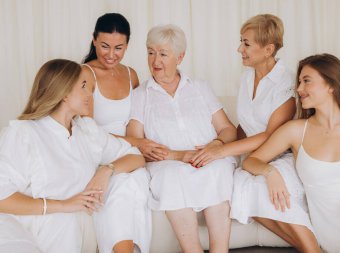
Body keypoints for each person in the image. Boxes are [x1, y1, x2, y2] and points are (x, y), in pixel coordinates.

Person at [189, 14, 319, 252]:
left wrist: (221, 151)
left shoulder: (287, 83)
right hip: (251, 158)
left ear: (268, 49)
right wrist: (216, 143)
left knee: (260, 188)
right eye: (241, 41)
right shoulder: (247, 76)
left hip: (282, 157)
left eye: (246, 43)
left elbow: (271, 135)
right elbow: (245, 125)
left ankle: (313, 250)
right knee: (239, 190)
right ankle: (308, 248)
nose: (240, 49)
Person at [0, 59, 148, 253]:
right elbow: (3, 198)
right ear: (64, 94)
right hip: (42, 229)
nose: (91, 93)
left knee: (130, 179)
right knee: (64, 220)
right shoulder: (24, 133)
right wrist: (63, 205)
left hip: (79, 226)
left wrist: (106, 170)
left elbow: (135, 156)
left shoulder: (86, 130)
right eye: (84, 86)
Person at [244, 53, 340, 253]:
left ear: (331, 85)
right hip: (332, 235)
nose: (299, 89)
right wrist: (270, 173)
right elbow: (251, 160)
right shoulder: (296, 130)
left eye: (306, 81)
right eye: (299, 82)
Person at [127, 24, 237, 253]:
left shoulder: (199, 87)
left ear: (180, 56)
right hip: (167, 163)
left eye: (163, 54)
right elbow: (135, 141)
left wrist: (215, 146)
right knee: (171, 178)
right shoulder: (140, 95)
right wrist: (177, 155)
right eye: (150, 52)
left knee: (217, 171)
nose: (155, 60)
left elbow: (227, 129)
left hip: (208, 157)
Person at [82, 13, 152, 253]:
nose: (111, 54)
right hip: (100, 149)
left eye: (118, 48)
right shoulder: (84, 75)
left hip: (131, 152)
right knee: (122, 184)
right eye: (104, 46)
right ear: (93, 40)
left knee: (136, 183)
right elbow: (87, 131)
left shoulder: (131, 74)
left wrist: (145, 144)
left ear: (127, 46)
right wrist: (137, 143)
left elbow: (138, 120)